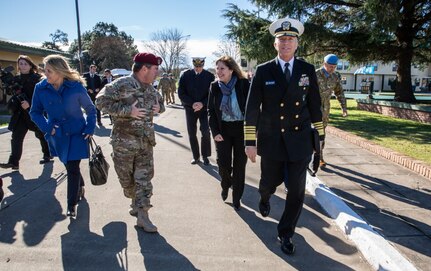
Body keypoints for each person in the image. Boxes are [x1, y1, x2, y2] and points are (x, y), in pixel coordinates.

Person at [244, 17, 324, 255]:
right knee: (269, 182)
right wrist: (250, 142)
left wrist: (319, 140)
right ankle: (265, 197)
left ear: (297, 44)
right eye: (282, 39)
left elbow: (315, 105)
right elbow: (251, 109)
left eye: (290, 39)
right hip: (272, 140)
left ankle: (286, 232)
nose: (286, 43)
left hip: (299, 141)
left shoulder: (307, 70)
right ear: (275, 44)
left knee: (297, 190)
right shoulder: (263, 70)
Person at [96, 52, 165, 233]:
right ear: (144, 68)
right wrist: (127, 111)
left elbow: (161, 103)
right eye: (155, 69)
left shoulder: (151, 88)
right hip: (123, 144)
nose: (157, 72)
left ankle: (143, 214)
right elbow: (100, 102)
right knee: (127, 181)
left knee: (144, 179)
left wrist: (160, 107)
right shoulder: (121, 84)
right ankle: (134, 200)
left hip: (145, 142)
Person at [30, 54, 97, 217]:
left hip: (77, 133)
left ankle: (71, 204)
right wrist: (47, 127)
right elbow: (35, 112)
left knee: (72, 168)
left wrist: (89, 128)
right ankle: (80, 185)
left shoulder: (76, 87)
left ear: (60, 71)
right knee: (70, 165)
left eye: (49, 71)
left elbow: (90, 109)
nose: (46, 75)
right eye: (45, 71)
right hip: (57, 135)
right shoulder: (40, 88)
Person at [208, 56, 250, 211]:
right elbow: (211, 111)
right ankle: (225, 184)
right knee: (223, 164)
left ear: (231, 69)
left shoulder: (243, 84)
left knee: (240, 166)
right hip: (223, 130)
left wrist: (254, 131)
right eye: (217, 68)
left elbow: (252, 109)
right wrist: (215, 132)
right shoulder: (214, 86)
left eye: (222, 68)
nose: (219, 72)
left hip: (241, 130)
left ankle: (237, 197)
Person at [0, 55, 52, 171]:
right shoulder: (16, 79)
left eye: (25, 63)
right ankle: (13, 162)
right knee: (16, 137)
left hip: (34, 112)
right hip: (20, 113)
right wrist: (7, 83)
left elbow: (42, 96)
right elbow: (10, 91)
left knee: (41, 134)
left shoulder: (37, 78)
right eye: (20, 63)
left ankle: (47, 154)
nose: (22, 66)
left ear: (30, 65)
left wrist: (29, 103)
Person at [178, 57, 215, 165]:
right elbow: (181, 92)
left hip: (204, 109)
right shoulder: (186, 75)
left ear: (203, 65)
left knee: (205, 132)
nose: (198, 68)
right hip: (190, 109)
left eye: (200, 66)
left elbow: (212, 94)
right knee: (192, 133)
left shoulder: (209, 76)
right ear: (193, 65)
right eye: (196, 66)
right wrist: (192, 103)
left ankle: (205, 156)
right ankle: (196, 156)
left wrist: (202, 103)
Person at [315, 54, 348, 167]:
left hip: (325, 111)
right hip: (312, 109)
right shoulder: (314, 74)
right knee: (309, 133)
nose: (332, 69)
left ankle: (319, 157)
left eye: (334, 67)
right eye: (330, 66)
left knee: (321, 134)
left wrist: (344, 108)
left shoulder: (335, 77)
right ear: (324, 64)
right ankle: (306, 157)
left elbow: (340, 93)